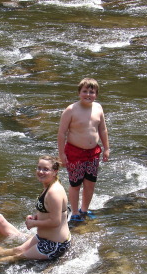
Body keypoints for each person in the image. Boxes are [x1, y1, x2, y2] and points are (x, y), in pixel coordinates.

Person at [0, 156, 71, 263]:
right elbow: (48, 210)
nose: (41, 172)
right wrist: (36, 217)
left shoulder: (54, 192)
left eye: (46, 169)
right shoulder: (48, 186)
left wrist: (34, 223)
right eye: (39, 168)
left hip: (55, 244)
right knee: (18, 249)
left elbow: (55, 221)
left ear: (55, 171)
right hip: (44, 238)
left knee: (17, 258)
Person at [57, 77, 110, 222]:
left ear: (96, 94)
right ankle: (74, 212)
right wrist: (62, 154)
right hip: (75, 152)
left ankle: (84, 210)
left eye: (91, 92)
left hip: (93, 153)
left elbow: (103, 129)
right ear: (79, 93)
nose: (88, 94)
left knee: (90, 183)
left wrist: (106, 148)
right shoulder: (71, 110)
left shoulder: (98, 108)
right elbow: (62, 133)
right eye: (85, 91)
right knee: (75, 184)